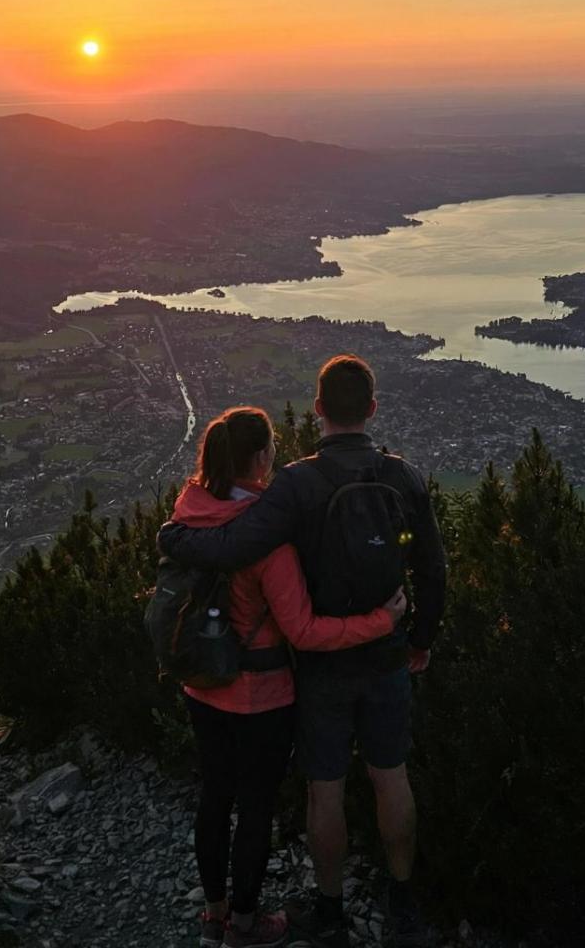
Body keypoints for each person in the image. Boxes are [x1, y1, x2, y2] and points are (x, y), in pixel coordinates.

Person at [160, 357, 447, 948]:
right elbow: (433, 570)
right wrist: (419, 639)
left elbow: (236, 544)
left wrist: (173, 536)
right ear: (372, 408)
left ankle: (330, 909)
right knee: (391, 776)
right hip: (387, 655)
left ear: (318, 410)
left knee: (326, 787)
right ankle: (401, 904)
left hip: (322, 668)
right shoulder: (404, 476)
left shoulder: (296, 483)